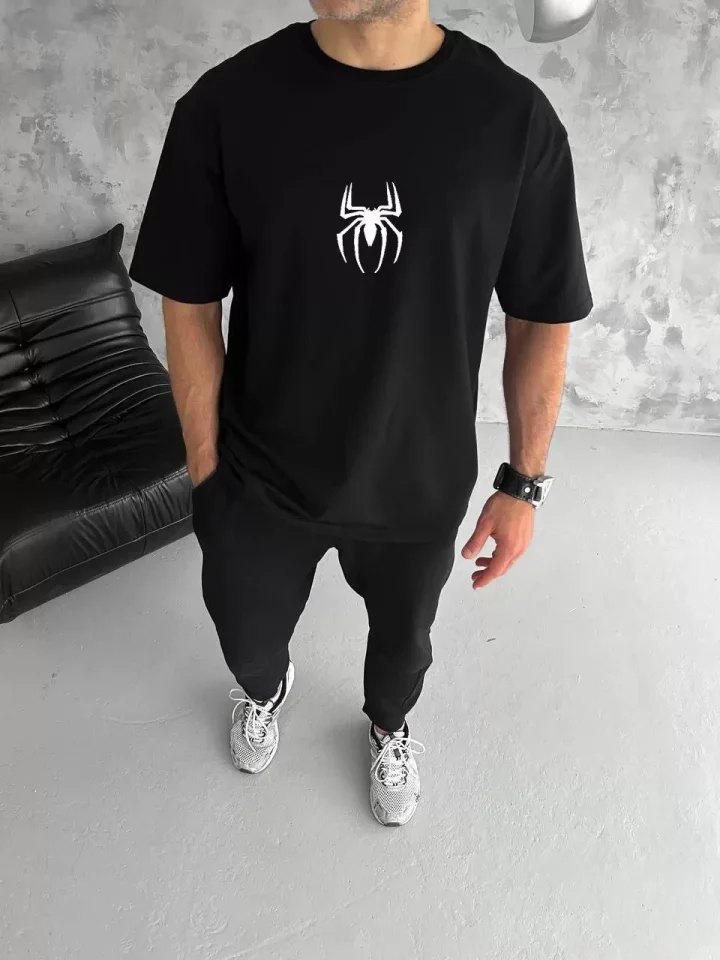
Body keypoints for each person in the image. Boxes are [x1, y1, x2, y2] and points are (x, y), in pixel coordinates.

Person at [129, 0, 593, 827]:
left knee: (403, 656)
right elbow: (189, 300)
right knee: (247, 642)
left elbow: (541, 315)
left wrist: (523, 484)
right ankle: (266, 691)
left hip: (419, 479)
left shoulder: (513, 121)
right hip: (259, 477)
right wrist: (205, 470)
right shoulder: (226, 107)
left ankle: (388, 727)